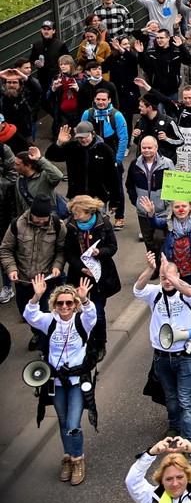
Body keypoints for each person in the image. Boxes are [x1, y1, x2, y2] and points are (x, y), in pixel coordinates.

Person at [24, 273, 96, 485]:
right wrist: (36, 296)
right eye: (60, 303)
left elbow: (92, 314)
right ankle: (68, 457)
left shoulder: (82, 321)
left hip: (76, 381)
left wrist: (84, 298)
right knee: (63, 422)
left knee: (73, 423)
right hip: (55, 382)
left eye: (69, 303)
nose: (64, 307)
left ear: (74, 305)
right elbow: (30, 315)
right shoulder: (49, 321)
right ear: (54, 305)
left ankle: (78, 459)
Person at [133, 252, 191, 442]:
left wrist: (170, 275)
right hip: (162, 356)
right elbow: (137, 289)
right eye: (163, 278)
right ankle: (174, 426)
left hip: (185, 355)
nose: (167, 281)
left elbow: (190, 292)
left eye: (171, 277)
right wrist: (150, 269)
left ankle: (188, 444)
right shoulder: (154, 292)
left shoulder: (189, 292)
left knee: (185, 401)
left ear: (178, 275)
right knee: (171, 398)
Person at [0, 192, 66, 350]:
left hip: (46, 282)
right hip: (23, 281)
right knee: (27, 314)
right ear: (31, 213)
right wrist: (11, 269)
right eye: (38, 218)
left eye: (45, 219)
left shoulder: (57, 225)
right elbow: (6, 250)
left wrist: (57, 266)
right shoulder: (17, 224)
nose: (42, 221)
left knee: (45, 313)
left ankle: (46, 347)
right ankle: (37, 333)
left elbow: (62, 250)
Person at [61, 195, 119, 362]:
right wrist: (82, 268)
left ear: (89, 212)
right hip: (79, 276)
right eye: (74, 213)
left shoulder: (104, 223)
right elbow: (68, 253)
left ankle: (100, 344)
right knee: (78, 311)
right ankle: (85, 341)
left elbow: (112, 247)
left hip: (100, 276)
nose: (75, 216)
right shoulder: (70, 226)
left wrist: (99, 252)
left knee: (98, 313)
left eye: (78, 213)